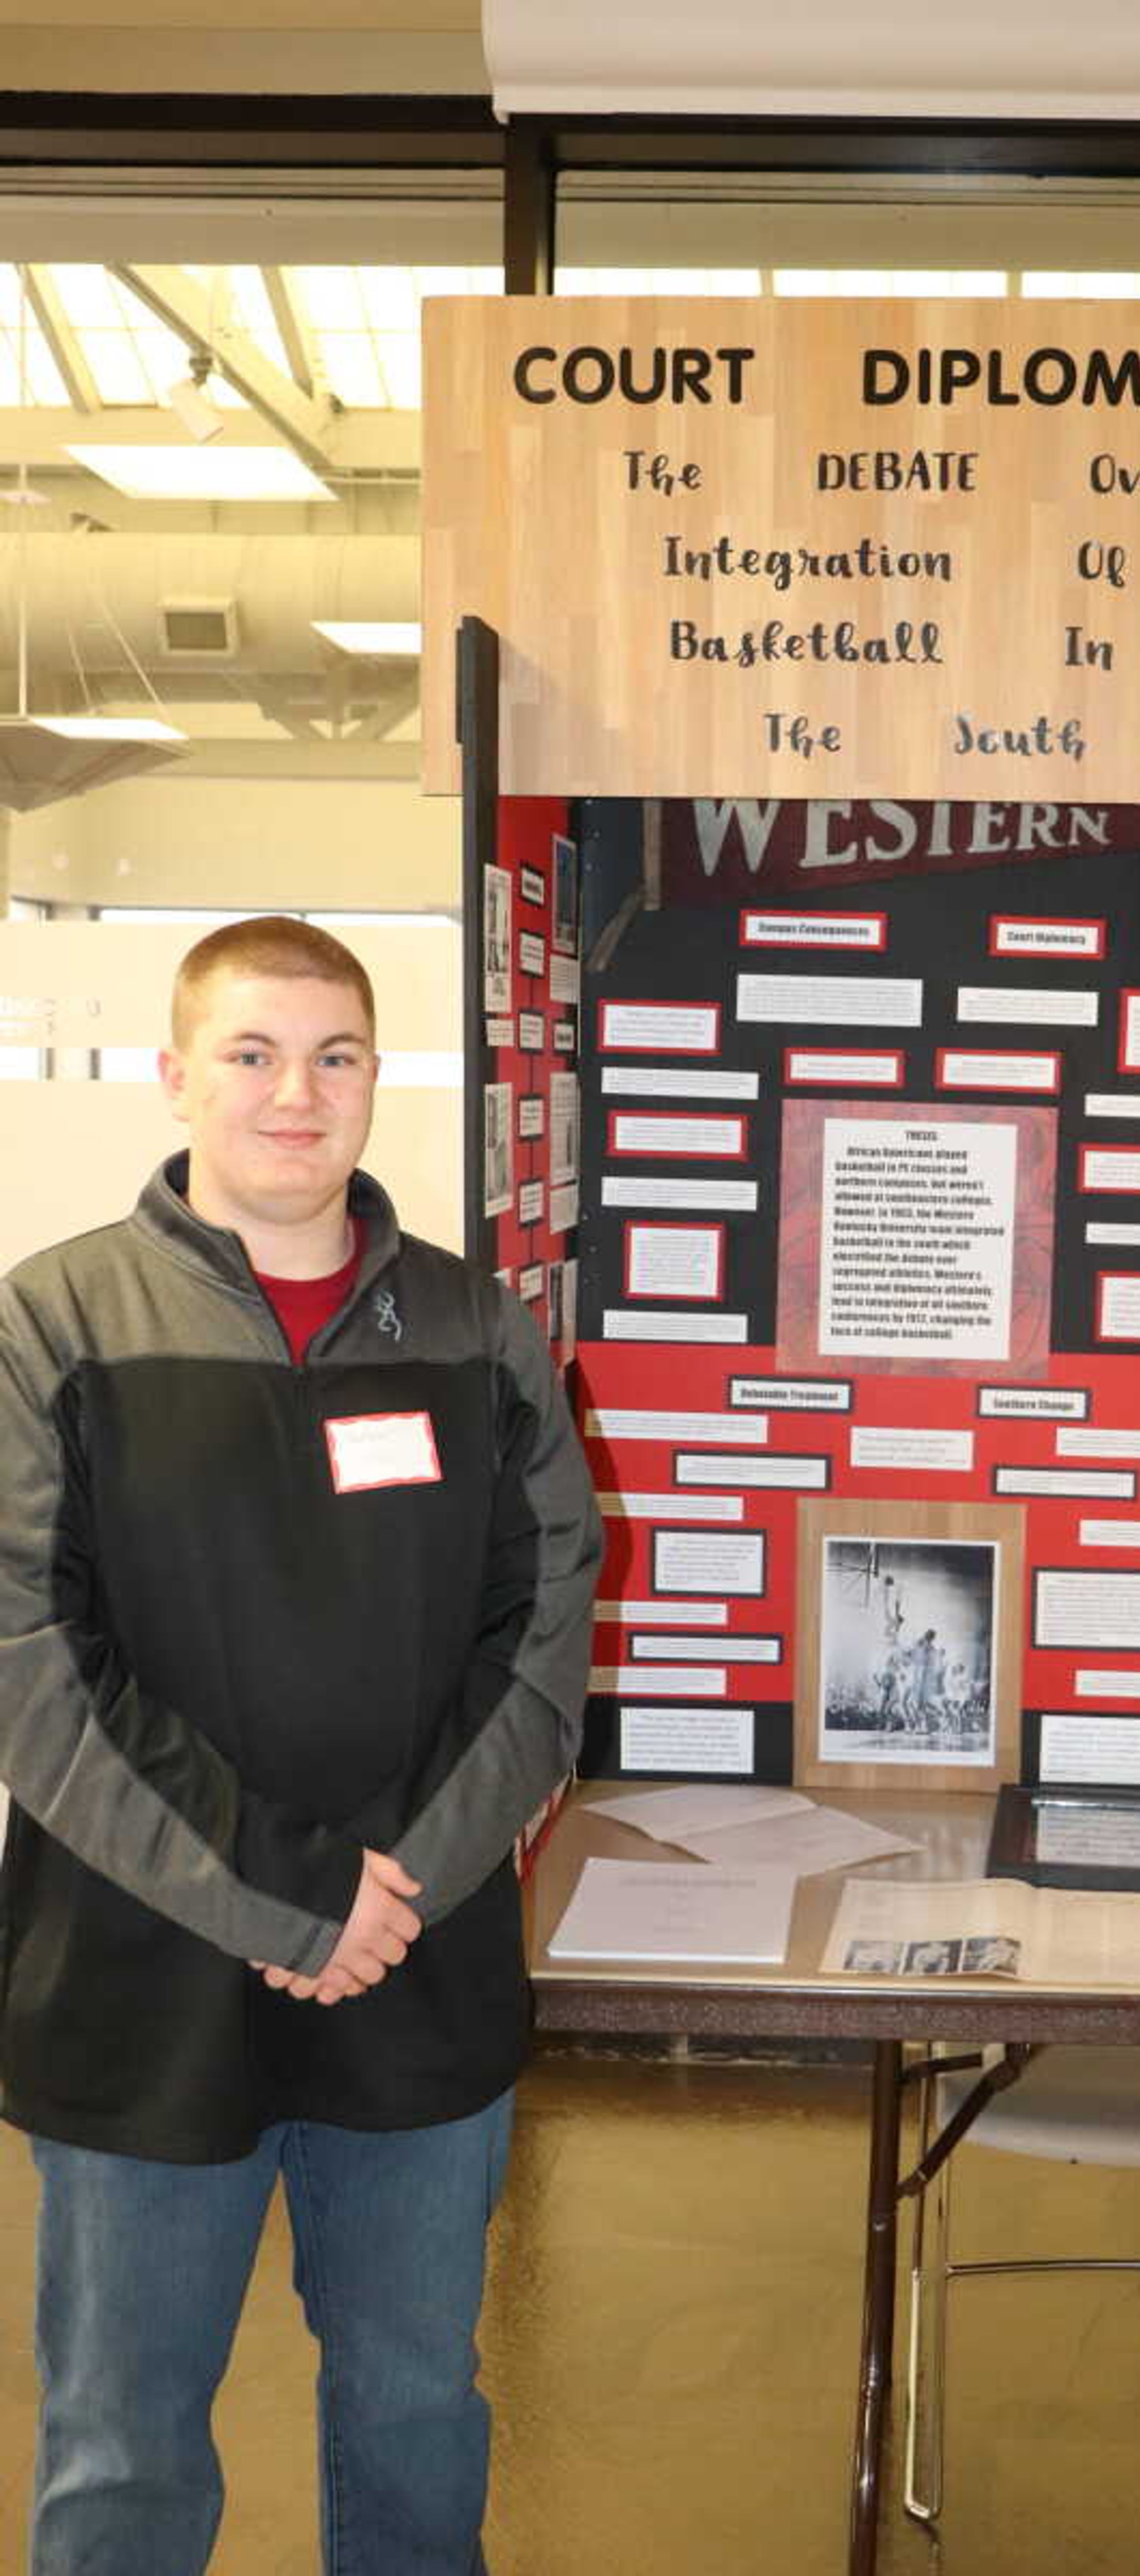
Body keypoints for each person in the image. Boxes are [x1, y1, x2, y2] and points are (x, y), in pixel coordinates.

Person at [0, 916, 603, 2575]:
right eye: (254, 1053)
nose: (296, 1093)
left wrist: (390, 1890)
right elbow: (31, 1666)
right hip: (140, 1982)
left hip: (418, 1961)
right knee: (121, 2446)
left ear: (374, 1080)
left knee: (417, 2412)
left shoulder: (479, 1332)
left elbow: (546, 1629)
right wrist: (295, 1903)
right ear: (174, 1070)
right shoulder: (52, 1327)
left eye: (336, 1055)